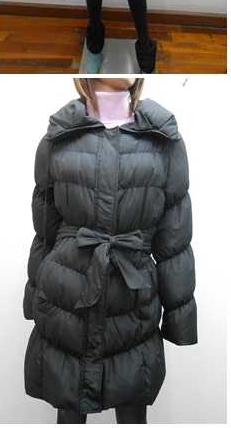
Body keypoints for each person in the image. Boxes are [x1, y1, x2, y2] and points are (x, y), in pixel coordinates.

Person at [23, 78, 196, 423]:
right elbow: (45, 230)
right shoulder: (60, 136)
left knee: (132, 409)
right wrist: (33, 294)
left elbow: (175, 238)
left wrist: (180, 316)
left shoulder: (163, 138)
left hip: (132, 297)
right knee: (69, 406)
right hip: (67, 294)